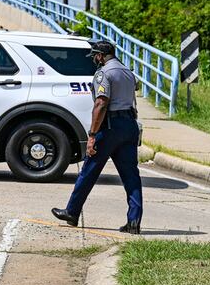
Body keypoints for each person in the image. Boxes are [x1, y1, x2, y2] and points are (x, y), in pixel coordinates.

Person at [52, 41, 143, 234]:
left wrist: (92, 135)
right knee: (131, 176)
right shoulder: (128, 72)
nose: (94, 59)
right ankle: (134, 221)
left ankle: (72, 212)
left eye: (95, 55)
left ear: (101, 56)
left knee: (89, 170)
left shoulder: (104, 74)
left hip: (110, 127)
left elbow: (101, 104)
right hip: (129, 125)